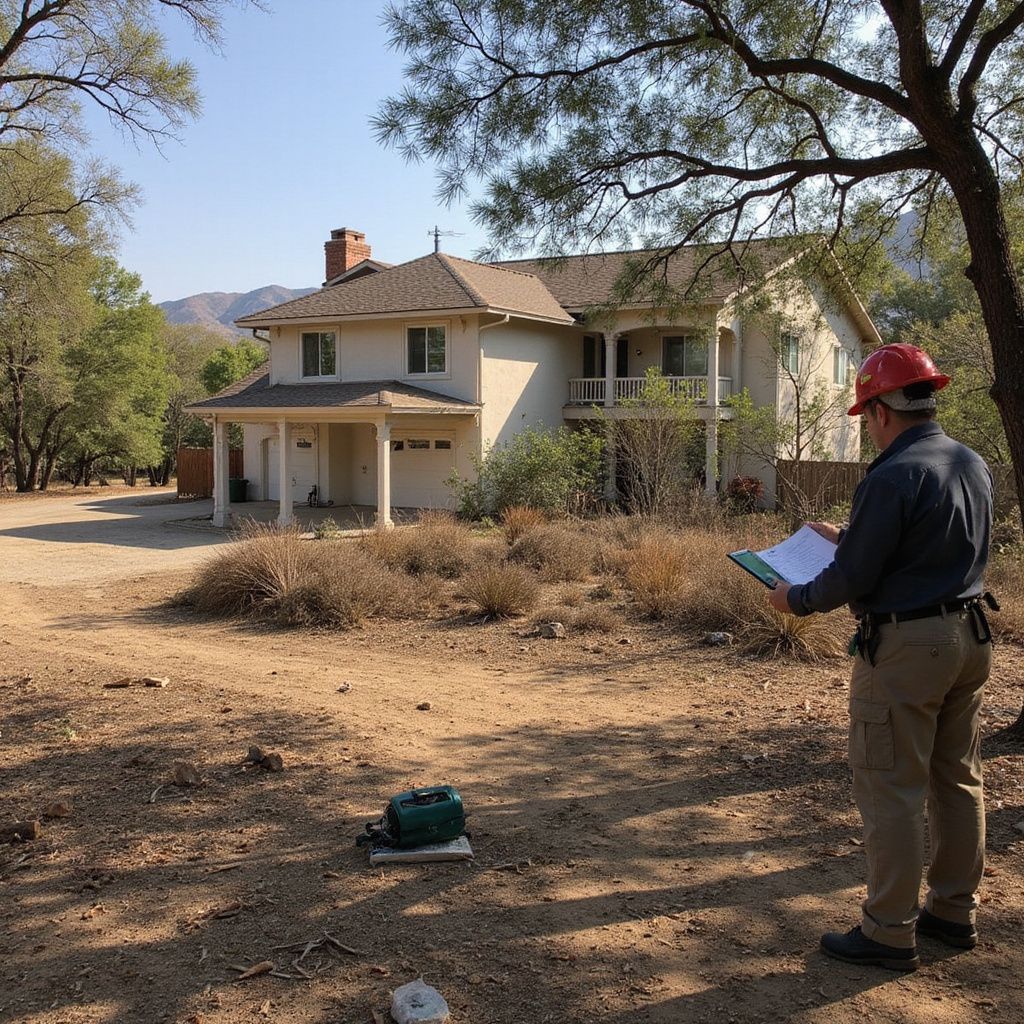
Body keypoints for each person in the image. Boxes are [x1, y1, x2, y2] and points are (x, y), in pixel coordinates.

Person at [767, 342, 995, 972]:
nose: (868, 427)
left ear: (880, 411)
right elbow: (929, 545)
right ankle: (953, 911)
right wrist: (846, 535)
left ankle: (889, 930)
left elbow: (856, 578)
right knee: (957, 777)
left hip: (905, 648)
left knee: (891, 785)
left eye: (866, 414)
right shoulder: (969, 463)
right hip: (969, 636)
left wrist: (798, 598)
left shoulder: (891, 474)